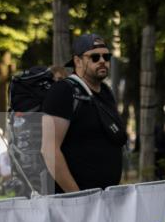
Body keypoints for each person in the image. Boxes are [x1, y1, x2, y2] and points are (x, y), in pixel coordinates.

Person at [41, 34, 127, 193]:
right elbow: (49, 150)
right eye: (95, 57)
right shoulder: (63, 91)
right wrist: (77, 196)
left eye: (106, 57)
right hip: (75, 201)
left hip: (106, 197)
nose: (102, 61)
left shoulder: (106, 92)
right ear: (78, 61)